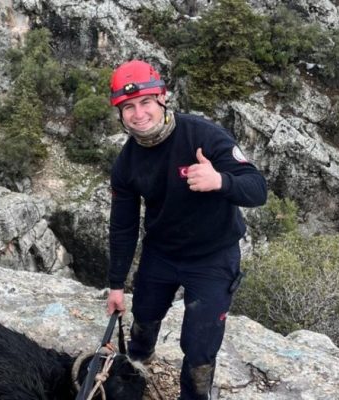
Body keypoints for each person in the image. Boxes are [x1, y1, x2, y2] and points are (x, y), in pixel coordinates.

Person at [104, 60, 267, 399]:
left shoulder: (202, 136)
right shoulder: (127, 162)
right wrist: (116, 284)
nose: (138, 114)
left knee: (199, 348)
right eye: (128, 107)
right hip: (161, 253)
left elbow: (257, 188)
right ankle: (136, 377)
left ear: (163, 98)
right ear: (120, 114)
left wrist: (219, 180)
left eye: (146, 102)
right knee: (143, 321)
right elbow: (123, 225)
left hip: (213, 257)